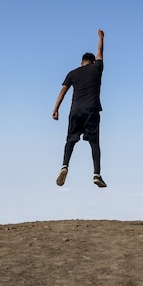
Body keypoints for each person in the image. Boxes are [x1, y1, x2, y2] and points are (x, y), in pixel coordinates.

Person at [52, 29, 107, 188]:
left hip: (76, 111)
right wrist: (101, 37)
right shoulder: (97, 68)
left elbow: (63, 90)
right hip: (92, 110)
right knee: (94, 143)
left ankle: (64, 166)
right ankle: (96, 174)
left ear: (82, 62)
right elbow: (100, 52)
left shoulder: (73, 73)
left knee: (70, 140)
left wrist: (56, 108)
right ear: (92, 62)